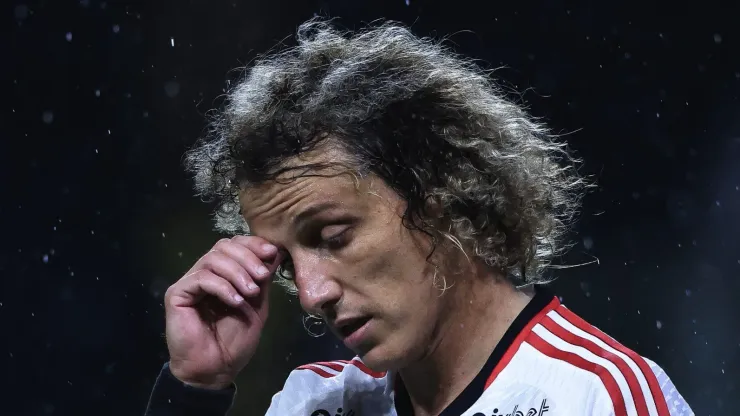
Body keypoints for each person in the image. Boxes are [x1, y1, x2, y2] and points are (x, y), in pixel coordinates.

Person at [144, 18, 693, 416]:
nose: (311, 295)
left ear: (437, 192)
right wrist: (195, 387)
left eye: (333, 236)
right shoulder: (315, 405)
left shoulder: (600, 397)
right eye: (287, 265)